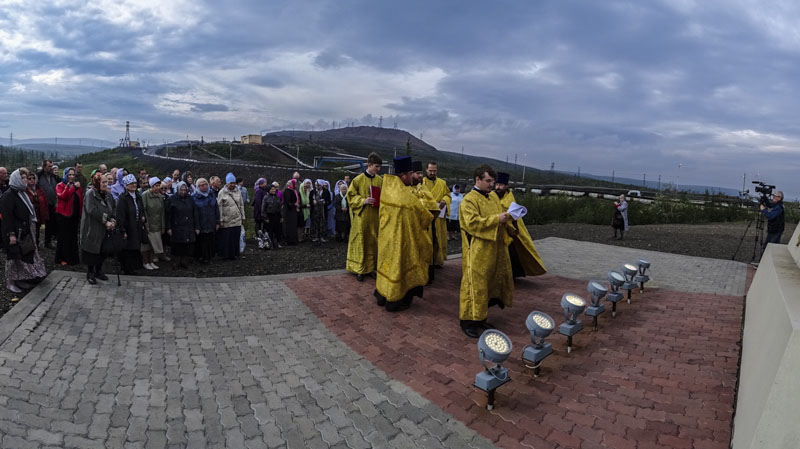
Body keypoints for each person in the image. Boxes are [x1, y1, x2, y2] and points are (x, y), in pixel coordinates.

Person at [459, 164, 514, 338]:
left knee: (487, 286)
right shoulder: (469, 200)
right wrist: (497, 219)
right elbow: (472, 223)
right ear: (478, 180)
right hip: (476, 251)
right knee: (474, 286)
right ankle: (467, 322)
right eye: (488, 181)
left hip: (493, 249)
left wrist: (510, 218)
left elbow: (500, 216)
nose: (492, 185)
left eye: (493, 181)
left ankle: (481, 318)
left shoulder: (493, 197)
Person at [374, 157, 434, 312]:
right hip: (401, 240)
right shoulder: (405, 198)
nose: (412, 176)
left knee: (387, 267)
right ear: (404, 175)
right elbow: (423, 217)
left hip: (387, 239)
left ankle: (382, 296)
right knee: (399, 268)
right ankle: (395, 301)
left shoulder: (388, 186)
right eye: (410, 173)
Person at [493, 173, 546, 278]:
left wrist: (508, 217)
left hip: (508, 231)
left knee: (511, 252)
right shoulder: (491, 196)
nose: (498, 187)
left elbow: (513, 213)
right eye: (497, 184)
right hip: (494, 229)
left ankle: (511, 274)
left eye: (501, 185)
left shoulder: (509, 198)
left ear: (506, 186)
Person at [2, 169, 47, 292]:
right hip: (15, 232)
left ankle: (20, 279)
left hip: (24, 231)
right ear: (16, 179)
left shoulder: (21, 193)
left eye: (26, 177)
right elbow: (7, 218)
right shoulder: (8, 195)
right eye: (22, 178)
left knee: (22, 257)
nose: (25, 180)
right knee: (13, 257)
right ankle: (10, 282)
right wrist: (11, 234)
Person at [346, 152, 383, 281]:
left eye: (379, 167)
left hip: (375, 216)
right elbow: (350, 196)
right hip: (362, 217)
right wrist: (363, 201)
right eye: (376, 166)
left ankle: (371, 268)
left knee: (373, 242)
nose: (378, 169)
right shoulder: (358, 180)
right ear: (369, 165)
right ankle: (359, 269)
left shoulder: (380, 180)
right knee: (361, 242)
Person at [80, 172, 116, 284]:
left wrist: (113, 220)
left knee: (102, 250)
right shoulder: (90, 194)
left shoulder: (108, 195)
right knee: (91, 251)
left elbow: (113, 208)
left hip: (105, 229)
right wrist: (105, 221)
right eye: (103, 182)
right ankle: (90, 272)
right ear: (97, 182)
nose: (106, 184)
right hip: (92, 228)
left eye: (106, 182)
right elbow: (92, 210)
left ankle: (99, 271)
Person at [115, 174, 146, 274]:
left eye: (134, 183)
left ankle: (133, 268)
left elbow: (141, 209)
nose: (134, 185)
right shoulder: (123, 198)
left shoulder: (138, 197)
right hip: (128, 227)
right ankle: (127, 268)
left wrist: (143, 217)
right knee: (128, 248)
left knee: (135, 247)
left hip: (137, 226)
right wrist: (122, 230)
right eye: (131, 183)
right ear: (126, 185)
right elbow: (120, 215)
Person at [423, 162, 451, 267]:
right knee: (428, 238)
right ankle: (427, 261)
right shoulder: (421, 183)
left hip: (439, 216)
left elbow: (448, 195)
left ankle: (438, 260)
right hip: (427, 215)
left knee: (438, 238)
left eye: (434, 171)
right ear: (426, 170)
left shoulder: (442, 183)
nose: (432, 173)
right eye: (430, 170)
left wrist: (444, 200)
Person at [54, 167, 83, 266]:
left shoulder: (77, 186)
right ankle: (62, 258)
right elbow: (63, 196)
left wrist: (80, 213)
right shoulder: (60, 185)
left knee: (73, 237)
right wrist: (72, 188)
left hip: (74, 215)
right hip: (63, 216)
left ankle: (73, 258)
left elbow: (80, 199)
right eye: (69, 174)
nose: (71, 176)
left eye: (73, 175)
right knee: (64, 237)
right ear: (65, 175)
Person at [167, 181, 200, 267]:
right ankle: (177, 260)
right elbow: (168, 215)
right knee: (177, 244)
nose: (183, 192)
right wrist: (169, 227)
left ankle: (185, 260)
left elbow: (195, 213)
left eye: (185, 190)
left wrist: (197, 227)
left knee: (187, 244)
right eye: (181, 190)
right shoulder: (172, 199)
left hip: (188, 224)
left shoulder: (190, 199)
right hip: (177, 225)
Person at [217, 173, 245, 260]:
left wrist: (243, 216)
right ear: (227, 183)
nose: (232, 185)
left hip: (236, 219)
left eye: (234, 183)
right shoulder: (222, 192)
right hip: (227, 219)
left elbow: (241, 205)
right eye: (231, 183)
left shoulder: (238, 191)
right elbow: (219, 207)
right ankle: (226, 255)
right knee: (227, 238)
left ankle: (234, 254)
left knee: (235, 237)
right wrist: (220, 219)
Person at [141, 177, 167, 269]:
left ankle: (151, 261)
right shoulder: (145, 195)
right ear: (151, 186)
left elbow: (162, 212)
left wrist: (163, 226)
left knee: (154, 245)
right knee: (146, 245)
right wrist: (146, 224)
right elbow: (144, 210)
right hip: (149, 223)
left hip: (157, 224)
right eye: (156, 185)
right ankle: (145, 262)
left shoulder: (160, 197)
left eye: (159, 185)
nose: (158, 187)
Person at [192, 178, 219, 264]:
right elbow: (194, 213)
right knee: (202, 241)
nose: (204, 186)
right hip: (201, 223)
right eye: (202, 185)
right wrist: (196, 226)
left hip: (211, 222)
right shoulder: (194, 197)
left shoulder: (211, 195)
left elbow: (216, 209)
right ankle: (202, 257)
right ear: (198, 186)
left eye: (205, 184)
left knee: (210, 241)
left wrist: (217, 221)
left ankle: (209, 257)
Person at [36, 160, 59, 249]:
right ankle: (36, 243)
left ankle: (48, 242)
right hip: (41, 205)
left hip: (52, 204)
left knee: (50, 223)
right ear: (44, 167)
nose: (51, 168)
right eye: (49, 166)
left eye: (52, 166)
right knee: (38, 224)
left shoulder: (54, 177)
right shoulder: (38, 176)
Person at [261, 182, 282, 249]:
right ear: (268, 190)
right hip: (269, 216)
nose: (273, 190)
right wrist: (265, 218)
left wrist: (281, 216)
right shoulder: (266, 198)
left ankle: (277, 243)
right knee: (269, 230)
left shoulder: (277, 197)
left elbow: (280, 208)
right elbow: (263, 209)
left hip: (277, 216)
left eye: (274, 189)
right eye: (272, 189)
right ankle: (269, 243)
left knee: (277, 230)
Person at [309, 180, 329, 244]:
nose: (317, 186)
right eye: (316, 185)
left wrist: (325, 202)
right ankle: (315, 236)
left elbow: (329, 200)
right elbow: (310, 200)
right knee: (315, 223)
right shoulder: (313, 192)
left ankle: (322, 236)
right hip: (315, 210)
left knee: (323, 223)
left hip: (323, 210)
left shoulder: (326, 191)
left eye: (318, 185)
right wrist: (313, 202)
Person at [282, 179, 300, 245]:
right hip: (289, 211)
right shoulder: (288, 191)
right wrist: (294, 204)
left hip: (292, 210)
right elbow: (288, 201)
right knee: (289, 226)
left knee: (293, 225)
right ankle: (289, 240)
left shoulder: (293, 190)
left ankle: (293, 239)